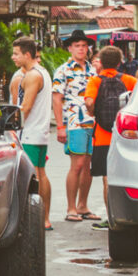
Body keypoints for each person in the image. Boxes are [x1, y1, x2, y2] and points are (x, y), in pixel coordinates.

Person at [84, 46, 137, 231]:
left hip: (103, 136)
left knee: (107, 178)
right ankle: (131, 215)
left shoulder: (95, 80)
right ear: (119, 61)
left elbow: (89, 102)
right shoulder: (130, 80)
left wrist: (93, 113)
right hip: (125, 135)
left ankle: (111, 218)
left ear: (101, 61)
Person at [53, 30, 99, 223]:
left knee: (88, 166)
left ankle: (83, 205)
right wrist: (60, 126)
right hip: (74, 122)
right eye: (77, 46)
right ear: (70, 48)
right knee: (77, 165)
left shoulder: (93, 70)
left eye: (84, 45)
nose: (81, 49)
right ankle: (71, 207)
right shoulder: (63, 70)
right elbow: (57, 99)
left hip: (93, 123)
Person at [11, 37, 53, 231]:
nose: (13, 57)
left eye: (16, 53)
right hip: (40, 131)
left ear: (27, 54)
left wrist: (11, 127)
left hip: (30, 132)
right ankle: (44, 218)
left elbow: (25, 107)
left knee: (34, 176)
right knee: (41, 173)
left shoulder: (32, 76)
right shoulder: (41, 72)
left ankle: (40, 219)